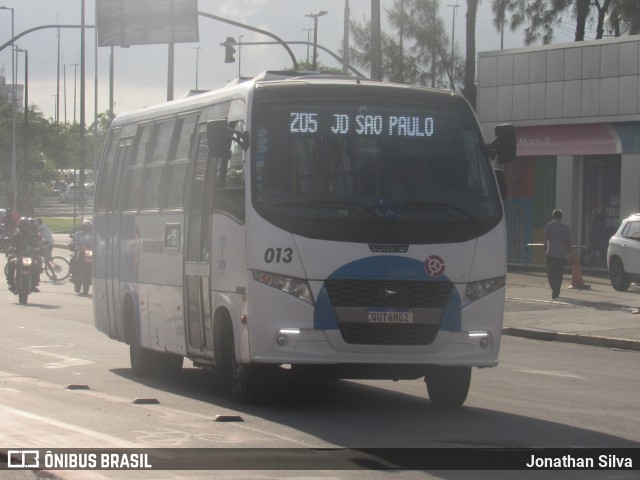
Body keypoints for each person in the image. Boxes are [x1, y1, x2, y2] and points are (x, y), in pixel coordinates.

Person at [6, 217, 43, 293]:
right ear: (20, 226)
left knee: (37, 263)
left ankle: (34, 283)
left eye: (26, 226)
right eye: (23, 226)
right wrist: (11, 249)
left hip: (30, 256)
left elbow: (36, 244)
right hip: (18, 255)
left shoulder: (32, 235)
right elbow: (11, 244)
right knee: (11, 261)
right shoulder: (17, 235)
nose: (24, 227)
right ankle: (11, 283)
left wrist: (39, 248)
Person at [543, 208, 572, 299]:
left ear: (553, 216)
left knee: (550, 272)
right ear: (561, 216)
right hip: (561, 254)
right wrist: (569, 252)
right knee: (559, 274)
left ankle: (554, 288)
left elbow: (546, 239)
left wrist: (545, 251)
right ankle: (557, 290)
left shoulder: (549, 225)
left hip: (551, 253)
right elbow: (568, 242)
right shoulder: (566, 227)